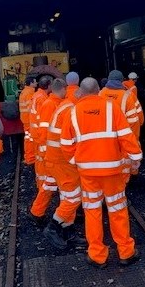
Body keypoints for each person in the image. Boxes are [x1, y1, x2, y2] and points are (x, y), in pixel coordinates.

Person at [60, 77, 142, 268]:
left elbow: (65, 145)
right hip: (113, 171)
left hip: (88, 173)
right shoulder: (112, 107)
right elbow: (126, 136)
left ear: (81, 92)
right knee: (117, 210)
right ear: (98, 90)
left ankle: (97, 255)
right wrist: (136, 159)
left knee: (92, 211)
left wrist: (77, 161)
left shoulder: (72, 112)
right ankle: (126, 252)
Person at [42, 80, 87, 249]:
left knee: (68, 196)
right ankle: (53, 227)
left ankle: (69, 232)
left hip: (57, 160)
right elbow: (73, 138)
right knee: (75, 197)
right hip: (62, 161)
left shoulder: (65, 105)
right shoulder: (71, 110)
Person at [30, 78, 66, 222]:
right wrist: (48, 154)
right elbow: (44, 132)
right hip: (51, 155)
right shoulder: (49, 105)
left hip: (52, 154)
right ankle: (39, 213)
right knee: (52, 184)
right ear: (62, 89)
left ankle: (37, 212)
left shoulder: (53, 103)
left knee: (50, 184)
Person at [29, 76, 53, 224]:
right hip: (43, 142)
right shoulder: (44, 100)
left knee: (43, 174)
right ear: (49, 86)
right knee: (47, 177)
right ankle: (38, 210)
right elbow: (46, 124)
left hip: (37, 139)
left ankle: (40, 198)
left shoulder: (36, 96)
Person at [19, 76, 38, 165]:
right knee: (30, 139)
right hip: (29, 119)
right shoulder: (30, 93)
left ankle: (28, 157)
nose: (36, 83)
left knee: (27, 139)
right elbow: (32, 108)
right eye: (35, 82)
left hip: (25, 119)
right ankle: (30, 158)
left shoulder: (24, 92)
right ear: (31, 83)